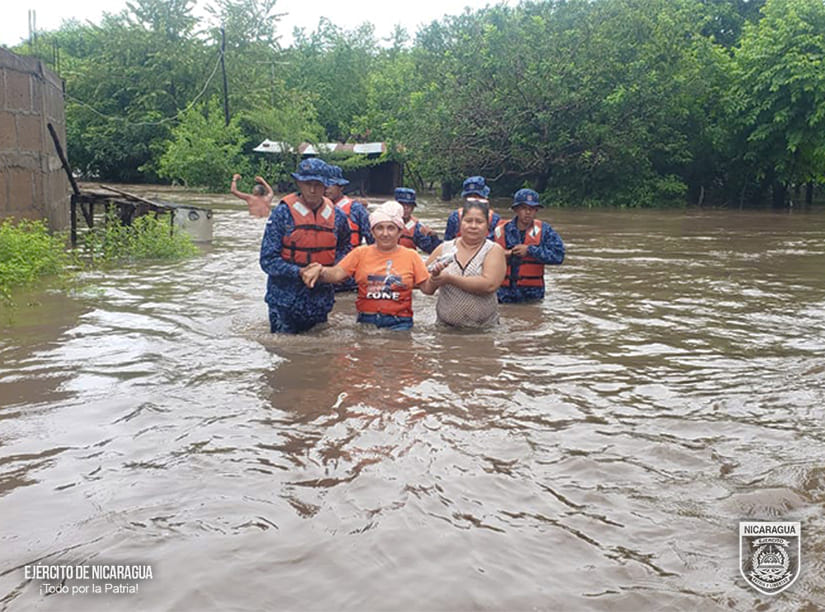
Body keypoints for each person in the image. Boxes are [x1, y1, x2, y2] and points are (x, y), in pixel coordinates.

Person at [301, 201, 430, 331]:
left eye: (391, 228)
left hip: (400, 323)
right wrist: (319, 270)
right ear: (372, 232)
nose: (385, 234)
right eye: (379, 228)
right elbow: (336, 274)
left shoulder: (411, 256)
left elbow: (427, 289)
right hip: (366, 321)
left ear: (400, 232)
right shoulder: (360, 253)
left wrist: (437, 277)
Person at [259, 158, 352, 334]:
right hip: (284, 301)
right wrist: (300, 272)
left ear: (326, 185)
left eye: (318, 184)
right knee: (284, 353)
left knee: (320, 355)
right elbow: (267, 260)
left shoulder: (338, 217)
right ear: (298, 183)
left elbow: (345, 250)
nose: (312, 189)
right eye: (307, 183)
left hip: (320, 300)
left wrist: (325, 271)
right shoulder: (282, 214)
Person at [421, 199, 506, 328]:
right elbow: (426, 288)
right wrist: (435, 279)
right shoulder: (444, 249)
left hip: (484, 331)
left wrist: (449, 279)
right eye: (468, 221)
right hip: (445, 329)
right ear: (461, 223)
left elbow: (489, 285)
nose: (473, 226)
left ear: (487, 226)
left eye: (479, 222)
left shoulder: (493, 250)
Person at [493, 188, 565, 303]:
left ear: (536, 210)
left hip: (532, 295)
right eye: (524, 208)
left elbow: (558, 256)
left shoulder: (545, 231)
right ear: (516, 209)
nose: (528, 212)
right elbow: (482, 253)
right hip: (503, 294)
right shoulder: (499, 230)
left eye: (532, 209)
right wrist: (502, 254)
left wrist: (530, 250)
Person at [325, 165, 373, 292]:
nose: (326, 189)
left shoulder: (356, 209)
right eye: (324, 184)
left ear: (341, 187)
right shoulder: (315, 209)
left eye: (331, 185)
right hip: (323, 277)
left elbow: (372, 240)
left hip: (349, 277)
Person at [443, 176, 501, 241]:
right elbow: (447, 242)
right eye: (471, 197)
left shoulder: (495, 219)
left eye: (477, 197)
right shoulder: (454, 217)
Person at [394, 187, 441, 254]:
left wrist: (433, 237)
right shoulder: (385, 222)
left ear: (413, 208)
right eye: (402, 205)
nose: (405, 209)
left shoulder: (417, 228)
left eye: (409, 205)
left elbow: (431, 249)